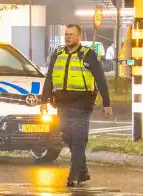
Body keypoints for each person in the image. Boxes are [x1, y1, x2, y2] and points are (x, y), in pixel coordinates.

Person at [40, 24, 112, 187]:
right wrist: (44, 101)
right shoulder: (57, 54)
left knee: (79, 139)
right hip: (62, 104)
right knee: (69, 138)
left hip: (82, 104)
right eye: (66, 34)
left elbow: (101, 80)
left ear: (79, 37)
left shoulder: (88, 55)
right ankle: (83, 171)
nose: (68, 37)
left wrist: (106, 104)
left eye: (72, 34)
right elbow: (50, 78)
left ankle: (73, 175)